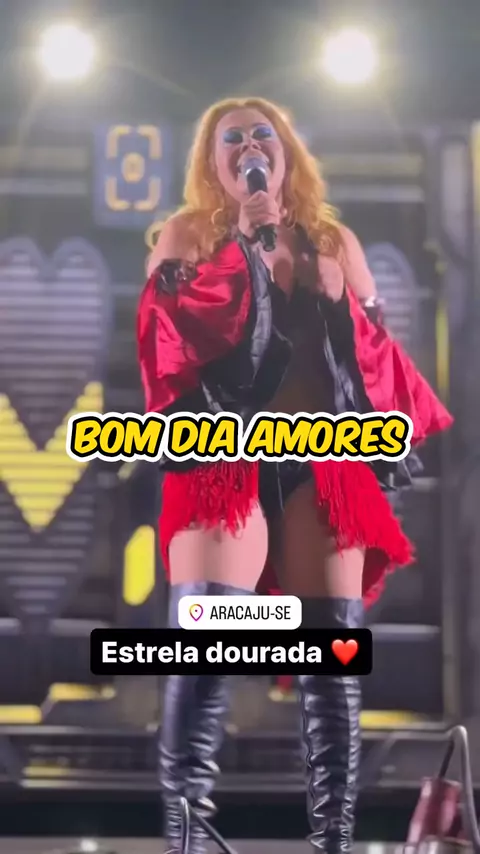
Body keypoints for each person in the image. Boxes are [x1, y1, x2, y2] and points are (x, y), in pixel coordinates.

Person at [137, 97, 453, 854]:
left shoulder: (331, 239)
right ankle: (188, 836)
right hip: (221, 455)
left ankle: (332, 839)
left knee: (331, 652)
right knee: (205, 636)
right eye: (233, 139)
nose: (250, 146)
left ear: (285, 153)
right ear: (213, 161)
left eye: (262, 135)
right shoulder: (188, 234)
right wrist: (245, 247)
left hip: (322, 456)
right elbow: (170, 337)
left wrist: (344, 298)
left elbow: (375, 353)